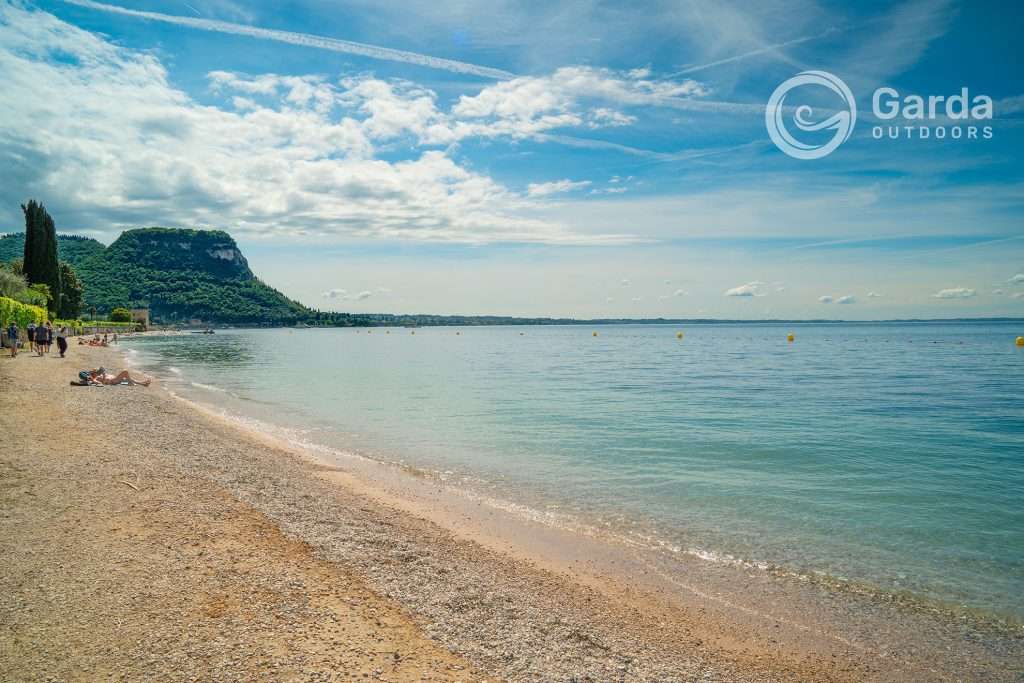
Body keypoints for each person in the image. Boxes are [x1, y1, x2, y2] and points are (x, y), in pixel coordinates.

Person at [79, 367, 151, 386]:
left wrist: (103, 374)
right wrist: (104, 377)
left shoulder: (98, 374)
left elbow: (101, 370)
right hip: (113, 381)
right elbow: (99, 383)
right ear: (93, 374)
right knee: (125, 371)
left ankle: (143, 383)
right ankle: (130, 383)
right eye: (96, 372)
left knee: (129, 378)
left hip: (115, 379)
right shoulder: (95, 378)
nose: (97, 372)